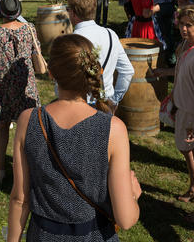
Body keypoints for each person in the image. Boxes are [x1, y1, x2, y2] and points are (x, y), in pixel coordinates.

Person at [7, 34, 141, 241]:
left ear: (52, 74)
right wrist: (134, 194)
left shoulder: (28, 120)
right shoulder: (113, 129)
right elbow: (126, 219)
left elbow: (19, 199)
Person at [153, 6, 194, 223]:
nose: (183, 29)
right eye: (181, 24)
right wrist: (165, 73)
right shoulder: (186, 47)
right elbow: (183, 71)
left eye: (189, 25)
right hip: (184, 110)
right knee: (185, 150)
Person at [0, 0, 41, 183]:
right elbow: (36, 53)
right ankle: (25, 170)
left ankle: (0, 168)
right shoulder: (29, 29)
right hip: (27, 85)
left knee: (2, 126)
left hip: (4, 86)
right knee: (27, 128)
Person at [67, 0, 134, 111]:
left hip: (79, 106)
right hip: (106, 104)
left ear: (73, 13)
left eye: (68, 10)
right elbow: (128, 71)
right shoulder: (111, 34)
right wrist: (114, 100)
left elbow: (62, 83)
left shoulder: (71, 41)